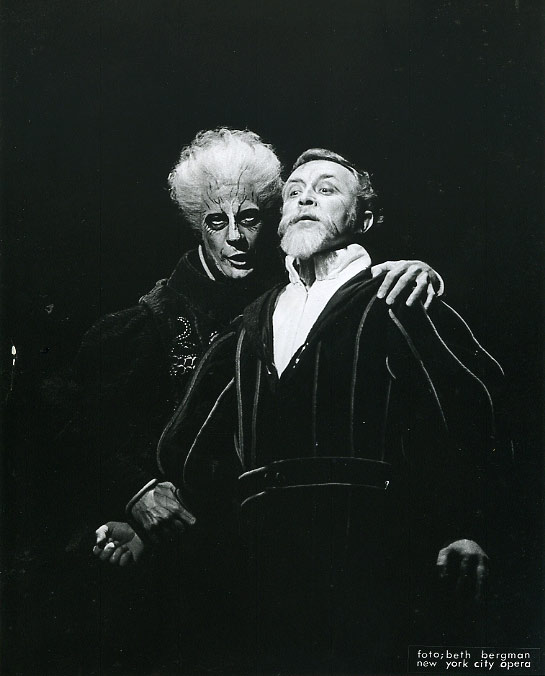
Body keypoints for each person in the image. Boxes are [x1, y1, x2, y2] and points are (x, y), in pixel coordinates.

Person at [123, 148, 506, 672]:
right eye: (294, 192)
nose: (306, 198)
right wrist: (146, 520)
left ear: (363, 220)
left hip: (373, 571)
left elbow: (472, 410)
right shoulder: (252, 321)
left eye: (326, 190)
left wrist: (468, 524)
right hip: (262, 583)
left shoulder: (396, 294)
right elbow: (188, 445)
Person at [84, 129, 442, 558]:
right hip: (174, 546)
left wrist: (417, 270)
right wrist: (135, 495)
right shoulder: (148, 322)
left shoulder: (289, 298)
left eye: (250, 219)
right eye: (217, 222)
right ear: (198, 225)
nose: (235, 237)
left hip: (288, 541)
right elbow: (79, 429)